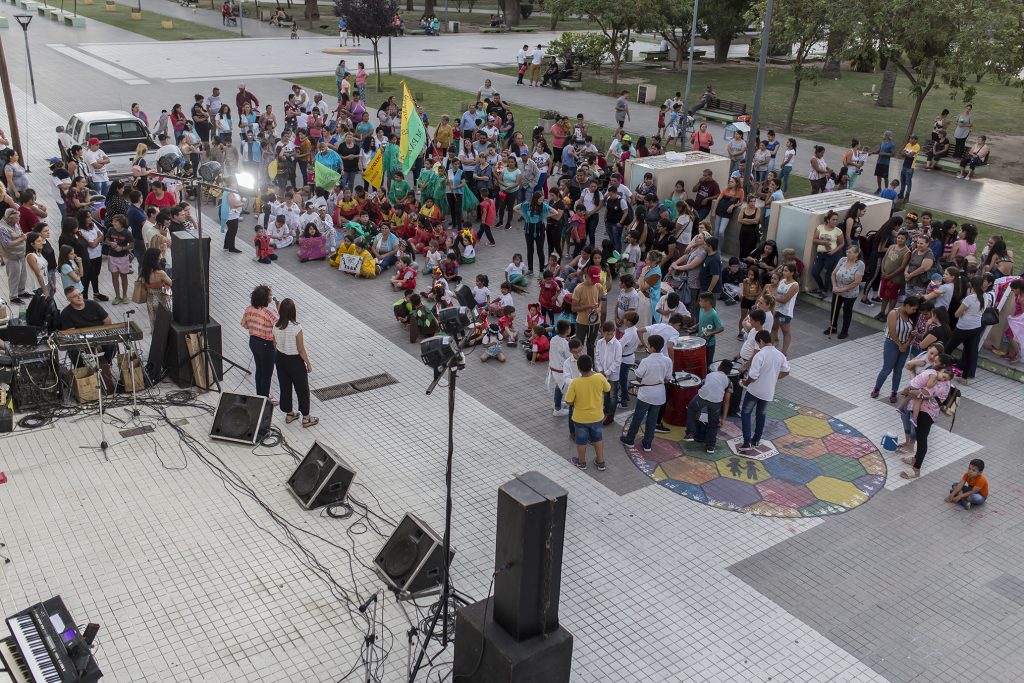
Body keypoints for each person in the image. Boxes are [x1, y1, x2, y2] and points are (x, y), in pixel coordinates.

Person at [620, 334, 674, 453]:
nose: (647, 346)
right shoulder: (668, 360)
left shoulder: (645, 361)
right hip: (659, 393)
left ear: (653, 348)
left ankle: (629, 439)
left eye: (648, 345)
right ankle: (647, 443)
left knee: (638, 417)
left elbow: (638, 377)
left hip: (646, 394)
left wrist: (647, 380)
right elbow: (668, 379)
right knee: (652, 420)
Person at [738, 331, 790, 452]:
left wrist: (745, 382)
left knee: (746, 413)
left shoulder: (760, 355)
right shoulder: (780, 355)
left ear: (760, 341)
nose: (759, 346)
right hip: (768, 392)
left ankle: (746, 442)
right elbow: (786, 371)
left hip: (754, 391)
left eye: (758, 343)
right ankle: (756, 439)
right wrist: (773, 377)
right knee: (761, 414)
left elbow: (754, 376)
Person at [273, 298, 318, 428]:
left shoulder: (275, 325)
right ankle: (306, 417)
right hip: (295, 361)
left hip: (280, 359)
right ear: (293, 311)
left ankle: (289, 413)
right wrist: (308, 363)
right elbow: (301, 349)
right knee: (302, 389)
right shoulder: (296, 327)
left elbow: (274, 344)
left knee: (285, 387)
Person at [565, 354, 610, 471]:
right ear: (591, 366)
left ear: (578, 368)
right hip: (597, 416)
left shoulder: (575, 382)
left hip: (580, 418)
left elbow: (568, 401)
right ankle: (600, 462)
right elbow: (608, 388)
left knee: (581, 441)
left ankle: (582, 462)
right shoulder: (599, 377)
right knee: (598, 438)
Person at [872, 296, 920, 402]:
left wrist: (906, 344)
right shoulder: (894, 313)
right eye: (913, 309)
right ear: (907, 305)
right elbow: (892, 332)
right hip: (892, 343)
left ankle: (894, 392)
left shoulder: (912, 316)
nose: (914, 311)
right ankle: (876, 389)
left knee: (898, 370)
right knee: (887, 369)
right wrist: (900, 344)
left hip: (905, 346)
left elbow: (913, 331)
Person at [684, 359, 733, 454]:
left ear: (719, 367)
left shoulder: (710, 375)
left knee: (691, 408)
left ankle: (690, 432)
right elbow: (727, 402)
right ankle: (710, 446)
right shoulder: (728, 381)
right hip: (716, 403)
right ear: (729, 372)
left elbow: (702, 388)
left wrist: (697, 411)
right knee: (713, 423)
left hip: (701, 399)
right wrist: (724, 418)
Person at [241, 285, 279, 401]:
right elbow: (279, 325)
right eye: (270, 295)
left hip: (253, 342)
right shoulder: (269, 311)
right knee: (267, 373)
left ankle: (259, 395)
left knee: (259, 370)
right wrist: (279, 309)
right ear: (265, 298)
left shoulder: (249, 309)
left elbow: (245, 325)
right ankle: (265, 397)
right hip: (267, 345)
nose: (271, 297)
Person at [825, 246, 865, 339]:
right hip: (837, 289)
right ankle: (833, 327)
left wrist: (842, 290)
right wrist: (834, 286)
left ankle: (844, 331)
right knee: (834, 308)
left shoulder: (860, 264)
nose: (847, 254)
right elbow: (833, 274)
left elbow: (857, 282)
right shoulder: (843, 259)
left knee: (847, 311)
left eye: (850, 252)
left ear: (856, 254)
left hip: (850, 293)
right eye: (847, 252)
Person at [594, 321, 623, 426]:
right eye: (607, 334)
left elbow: (617, 361)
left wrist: (607, 372)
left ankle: (611, 416)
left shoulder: (617, 345)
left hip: (613, 375)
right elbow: (597, 356)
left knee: (613, 395)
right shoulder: (599, 342)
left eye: (611, 334)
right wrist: (600, 370)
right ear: (602, 332)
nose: (609, 336)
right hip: (602, 373)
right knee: (605, 393)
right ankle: (606, 409)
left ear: (614, 332)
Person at [572, 266, 603, 358]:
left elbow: (601, 300)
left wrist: (599, 308)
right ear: (587, 276)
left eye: (596, 279)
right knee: (579, 344)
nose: (594, 281)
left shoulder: (598, 286)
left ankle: (591, 364)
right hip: (582, 322)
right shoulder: (579, 288)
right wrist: (588, 306)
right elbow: (573, 308)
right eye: (593, 279)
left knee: (591, 344)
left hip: (595, 321)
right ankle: (577, 363)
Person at [138, 247, 172, 327]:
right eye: (159, 255)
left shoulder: (143, 271)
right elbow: (171, 283)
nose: (161, 257)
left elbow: (144, 285)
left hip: (150, 300)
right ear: (155, 258)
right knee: (164, 324)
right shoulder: (160, 273)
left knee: (154, 324)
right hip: (162, 300)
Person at [0, 208, 28, 302]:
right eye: (16, 218)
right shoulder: (2, 228)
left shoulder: (14, 223)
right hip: (11, 256)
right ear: (9, 218)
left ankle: (21, 291)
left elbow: (19, 234)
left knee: (23, 275)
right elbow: (7, 245)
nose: (18, 220)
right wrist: (21, 239)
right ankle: (13, 297)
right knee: (14, 277)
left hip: (20, 254)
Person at [696, 292, 724, 366]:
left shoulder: (713, 314)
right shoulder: (701, 309)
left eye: (701, 300)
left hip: (709, 344)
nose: (699, 302)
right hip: (700, 341)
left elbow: (721, 328)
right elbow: (702, 320)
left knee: (708, 363)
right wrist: (696, 326)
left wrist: (711, 333)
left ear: (708, 302)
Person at [898, 134, 921, 201]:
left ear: (915, 140)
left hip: (910, 167)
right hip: (904, 165)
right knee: (903, 181)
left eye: (911, 138)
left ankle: (907, 196)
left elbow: (911, 155)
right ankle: (901, 194)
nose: (910, 139)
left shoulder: (917, 146)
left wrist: (906, 153)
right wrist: (906, 153)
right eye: (910, 138)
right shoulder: (908, 144)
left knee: (908, 182)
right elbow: (902, 153)